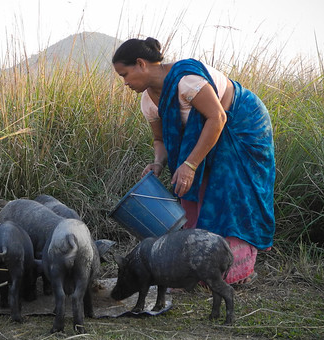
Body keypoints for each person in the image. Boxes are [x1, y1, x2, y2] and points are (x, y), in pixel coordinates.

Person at [112, 37, 275, 285]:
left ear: (141, 63)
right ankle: (199, 264)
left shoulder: (187, 81)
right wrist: (158, 163)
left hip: (241, 123)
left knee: (232, 192)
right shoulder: (148, 100)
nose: (124, 82)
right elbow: (160, 139)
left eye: (125, 74)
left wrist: (189, 165)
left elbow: (218, 118)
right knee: (196, 191)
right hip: (213, 128)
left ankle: (236, 270)